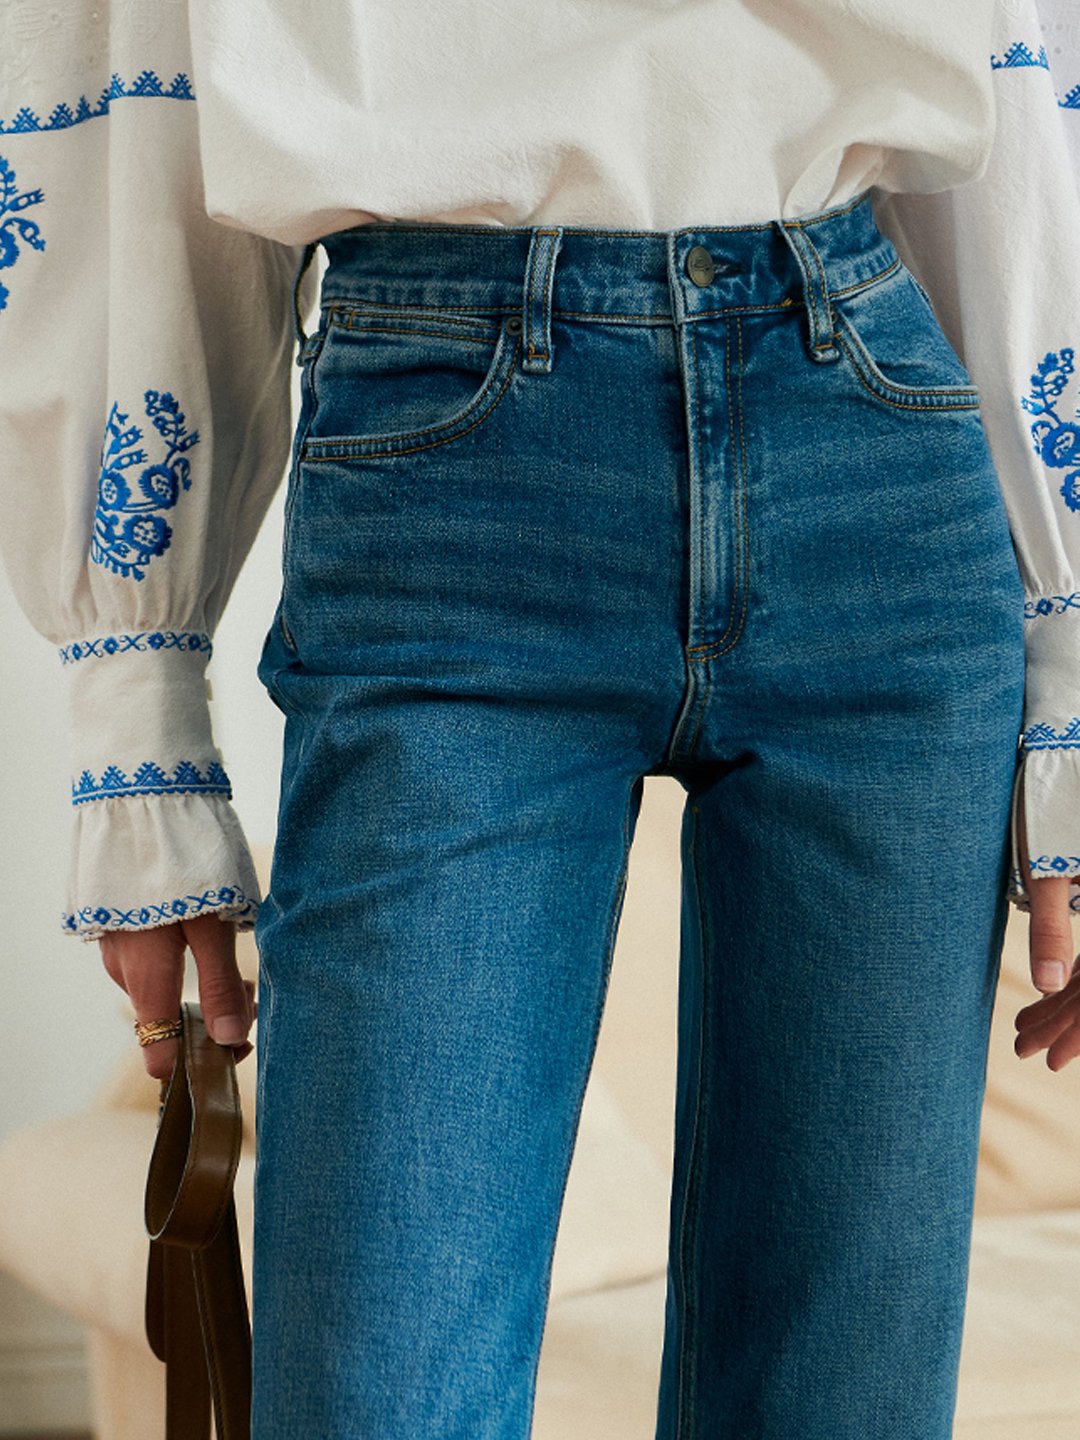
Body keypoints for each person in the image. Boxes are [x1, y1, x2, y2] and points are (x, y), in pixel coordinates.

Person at [2, 1, 1080, 1435]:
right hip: (448, 460)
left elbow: (1018, 69)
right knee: (375, 1397)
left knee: (845, 1402)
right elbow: (139, 65)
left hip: (871, 429)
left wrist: (1070, 679)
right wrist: (136, 711)